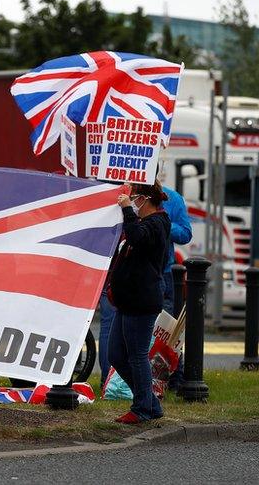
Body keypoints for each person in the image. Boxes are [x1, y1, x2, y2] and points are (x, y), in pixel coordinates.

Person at [108, 181, 170, 424]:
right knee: (116, 354)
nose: (132, 201)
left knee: (136, 355)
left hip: (140, 302)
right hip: (128, 301)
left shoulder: (157, 224)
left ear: (145, 199)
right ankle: (149, 402)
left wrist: (126, 210)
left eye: (134, 197)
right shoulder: (147, 223)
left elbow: (137, 237)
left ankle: (143, 408)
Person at [161, 185, 191, 392]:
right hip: (135, 270)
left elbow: (185, 233)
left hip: (162, 270)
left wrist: (163, 224)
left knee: (167, 327)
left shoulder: (172, 198)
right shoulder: (124, 195)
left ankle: (175, 377)